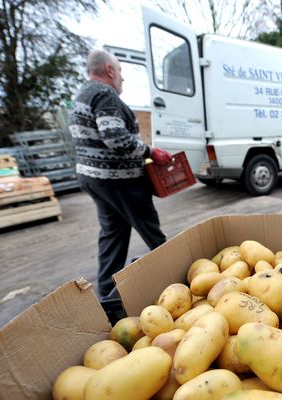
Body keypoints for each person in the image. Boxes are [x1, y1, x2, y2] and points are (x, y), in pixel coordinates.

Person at [68, 49, 172, 300]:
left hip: (94, 178)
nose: (122, 78)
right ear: (110, 70)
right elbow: (114, 136)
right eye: (121, 71)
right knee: (152, 231)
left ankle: (106, 293)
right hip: (119, 179)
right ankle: (178, 274)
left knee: (113, 233)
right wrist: (149, 151)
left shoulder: (82, 94)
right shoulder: (105, 94)